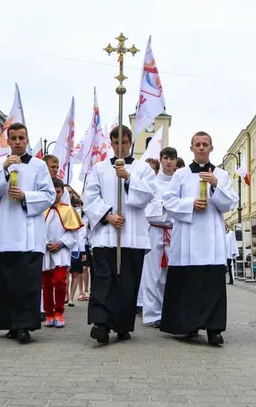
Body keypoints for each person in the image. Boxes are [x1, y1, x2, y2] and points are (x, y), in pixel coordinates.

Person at [161, 131, 238, 346]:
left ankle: (214, 330)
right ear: (192, 148)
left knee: (212, 285)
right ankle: (188, 326)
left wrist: (215, 184)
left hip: (212, 239)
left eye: (205, 144)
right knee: (189, 285)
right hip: (187, 236)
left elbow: (230, 203)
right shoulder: (180, 175)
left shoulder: (221, 175)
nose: (201, 148)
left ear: (211, 148)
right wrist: (190, 204)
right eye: (198, 144)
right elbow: (168, 201)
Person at [0, 122, 55, 343]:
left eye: (21, 138)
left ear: (27, 139)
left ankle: (24, 326)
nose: (17, 142)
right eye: (13, 138)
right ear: (8, 141)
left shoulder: (39, 166)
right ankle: (8, 324)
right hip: (4, 232)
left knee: (26, 283)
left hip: (27, 233)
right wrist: (4, 168)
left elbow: (49, 195)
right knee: (5, 283)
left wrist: (26, 196)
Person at [83, 125, 156, 344]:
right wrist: (107, 216)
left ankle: (122, 326)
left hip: (132, 236)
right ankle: (101, 325)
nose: (121, 146)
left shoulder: (143, 169)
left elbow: (147, 195)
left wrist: (128, 178)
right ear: (111, 144)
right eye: (116, 143)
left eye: (125, 142)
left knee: (127, 283)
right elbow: (90, 198)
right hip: (106, 235)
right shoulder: (100, 168)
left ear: (130, 143)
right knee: (104, 280)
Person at [141, 147, 178, 328]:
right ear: (161, 160)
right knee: (153, 274)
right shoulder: (152, 183)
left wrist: (167, 207)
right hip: (155, 231)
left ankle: (171, 311)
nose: (169, 162)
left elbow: (182, 208)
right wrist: (168, 207)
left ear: (176, 161)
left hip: (175, 232)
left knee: (173, 274)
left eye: (172, 158)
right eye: (165, 158)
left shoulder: (181, 181)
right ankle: (152, 314)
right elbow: (147, 210)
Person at [42, 178, 83, 328]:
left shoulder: (68, 210)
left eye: (58, 192)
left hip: (61, 252)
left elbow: (74, 234)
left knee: (59, 282)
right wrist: (44, 243)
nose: (55, 195)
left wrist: (60, 244)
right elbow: (36, 229)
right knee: (46, 284)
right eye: (52, 191)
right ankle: (48, 314)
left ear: (62, 192)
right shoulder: (41, 208)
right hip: (45, 252)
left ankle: (59, 312)